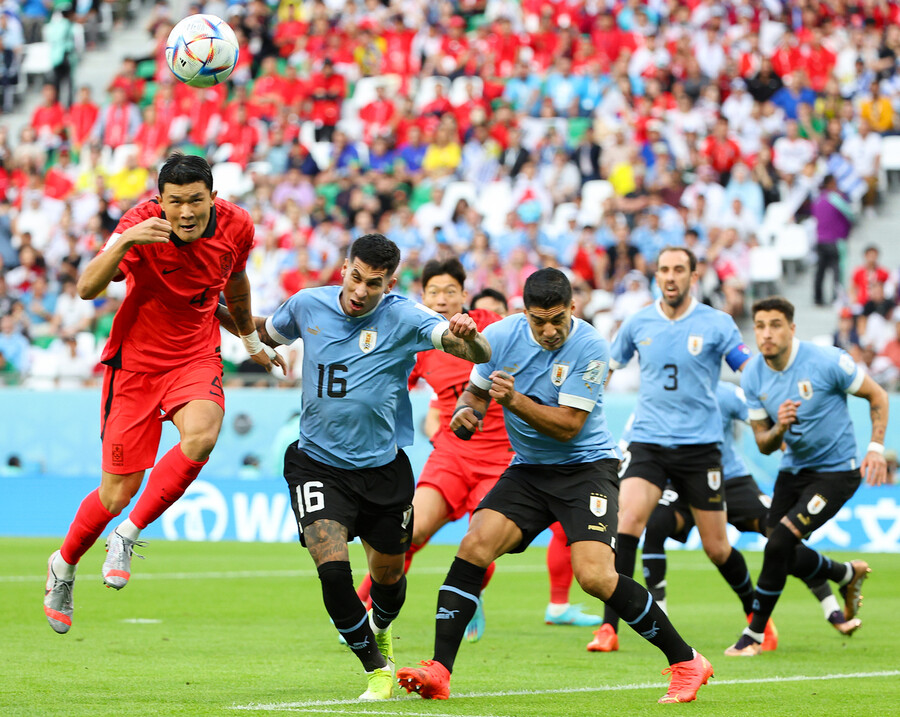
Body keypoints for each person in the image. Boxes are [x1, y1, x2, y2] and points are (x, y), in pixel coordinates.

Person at [397, 268, 713, 705]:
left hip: (586, 469)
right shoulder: (502, 337)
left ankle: (687, 661)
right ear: (522, 312)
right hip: (529, 469)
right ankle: (440, 671)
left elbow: (568, 426)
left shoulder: (591, 345)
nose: (548, 330)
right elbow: (475, 393)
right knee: (474, 546)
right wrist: (465, 414)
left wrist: (514, 401)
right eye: (537, 320)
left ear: (573, 309)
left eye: (557, 319)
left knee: (595, 576)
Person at [218, 234, 491, 700]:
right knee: (331, 570)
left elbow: (476, 355)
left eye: (375, 283)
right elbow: (262, 331)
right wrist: (210, 305)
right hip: (317, 464)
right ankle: (376, 669)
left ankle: (381, 628)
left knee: (389, 577)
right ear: (345, 267)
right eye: (356, 276)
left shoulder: (405, 315)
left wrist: (469, 337)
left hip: (383, 470)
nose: (361, 290)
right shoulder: (307, 304)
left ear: (391, 283)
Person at [43, 153, 283, 635]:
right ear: (161, 201)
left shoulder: (237, 226)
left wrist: (252, 342)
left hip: (194, 355)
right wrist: (127, 238)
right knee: (116, 493)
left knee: (201, 436)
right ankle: (63, 565)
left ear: (213, 198)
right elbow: (88, 287)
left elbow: (232, 286)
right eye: (176, 203)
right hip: (134, 366)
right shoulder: (139, 224)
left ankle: (128, 535)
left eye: (196, 200)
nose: (187, 212)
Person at [353, 259, 601, 643]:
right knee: (410, 530)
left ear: (464, 296)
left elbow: (516, 336)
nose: (441, 299)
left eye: (450, 291)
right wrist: (440, 422)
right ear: (423, 296)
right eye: (433, 292)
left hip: (502, 456)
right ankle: (364, 608)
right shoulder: (419, 341)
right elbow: (409, 389)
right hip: (453, 454)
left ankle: (476, 596)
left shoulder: (488, 324)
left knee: (481, 539)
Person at [591, 246, 760, 653]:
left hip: (700, 448)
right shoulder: (637, 323)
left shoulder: (717, 324)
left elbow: (748, 369)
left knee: (717, 547)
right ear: (656, 275)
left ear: (693, 275)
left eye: (679, 269)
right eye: (663, 269)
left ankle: (757, 615)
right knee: (626, 523)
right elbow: (608, 368)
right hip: (649, 441)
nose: (670, 276)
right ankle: (609, 628)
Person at [726, 296, 888, 656]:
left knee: (780, 542)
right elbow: (764, 444)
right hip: (793, 470)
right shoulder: (752, 374)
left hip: (836, 472)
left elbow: (876, 394)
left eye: (775, 325)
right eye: (761, 326)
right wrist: (780, 428)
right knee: (778, 545)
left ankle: (753, 635)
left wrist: (875, 447)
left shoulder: (827, 360)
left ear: (792, 329)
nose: (766, 334)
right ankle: (845, 575)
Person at [642, 381, 863, 639]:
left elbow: (764, 427)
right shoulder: (661, 392)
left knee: (781, 537)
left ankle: (832, 602)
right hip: (683, 483)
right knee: (656, 525)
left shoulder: (725, 393)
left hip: (731, 481)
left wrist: (788, 447)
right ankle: (659, 621)